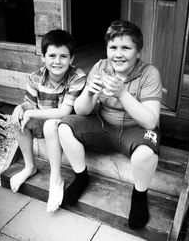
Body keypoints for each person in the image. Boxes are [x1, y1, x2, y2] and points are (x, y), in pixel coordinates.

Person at [58, 20, 162, 229]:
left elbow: (151, 122)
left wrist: (122, 93)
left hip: (137, 130)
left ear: (138, 51)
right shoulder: (100, 67)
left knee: (146, 153)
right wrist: (89, 92)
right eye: (113, 47)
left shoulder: (149, 73)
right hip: (104, 127)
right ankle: (81, 177)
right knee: (64, 126)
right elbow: (81, 111)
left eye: (126, 47)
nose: (118, 54)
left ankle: (140, 196)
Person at [10, 29, 86, 213]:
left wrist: (32, 113)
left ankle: (56, 179)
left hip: (66, 127)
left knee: (52, 124)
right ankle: (29, 167)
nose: (57, 61)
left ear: (72, 59)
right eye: (52, 55)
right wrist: (20, 108)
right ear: (43, 57)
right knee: (18, 119)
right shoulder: (35, 77)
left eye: (63, 56)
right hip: (43, 119)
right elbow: (30, 104)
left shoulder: (78, 77)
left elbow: (64, 112)